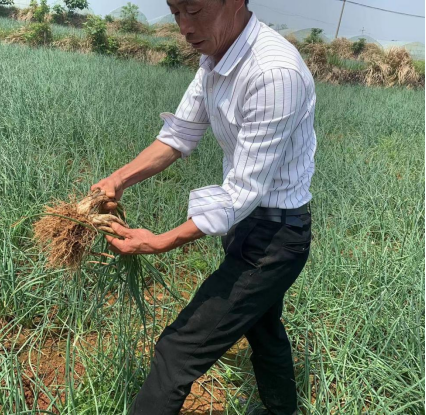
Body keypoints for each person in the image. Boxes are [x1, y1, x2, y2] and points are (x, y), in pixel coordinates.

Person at [91, 0, 317, 413]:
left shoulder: (273, 73)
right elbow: (178, 135)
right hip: (250, 226)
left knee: (178, 350)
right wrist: (118, 179)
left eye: (194, 10)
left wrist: (158, 241)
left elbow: (239, 194)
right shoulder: (215, 59)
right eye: (176, 11)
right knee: (263, 325)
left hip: (275, 238)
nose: (183, 26)